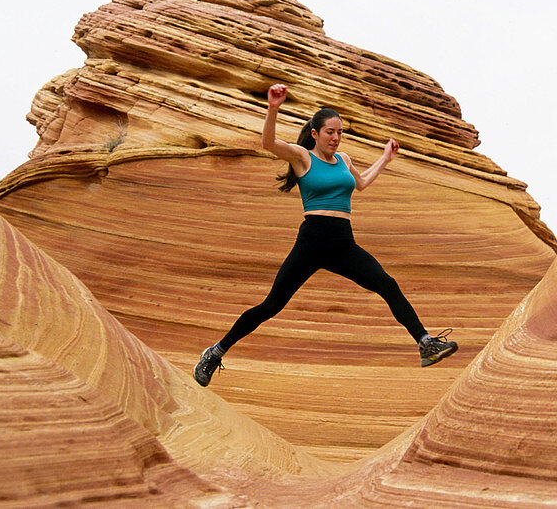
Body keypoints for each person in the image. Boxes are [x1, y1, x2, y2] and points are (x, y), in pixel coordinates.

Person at [194, 83, 457, 387]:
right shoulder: (303, 157)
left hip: (343, 243)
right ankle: (215, 352)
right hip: (312, 241)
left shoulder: (344, 160)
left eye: (340, 132)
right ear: (316, 134)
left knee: (387, 284)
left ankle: (425, 344)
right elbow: (268, 143)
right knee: (272, 305)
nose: (336, 137)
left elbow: (362, 184)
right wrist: (273, 107)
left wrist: (385, 159)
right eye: (330, 132)